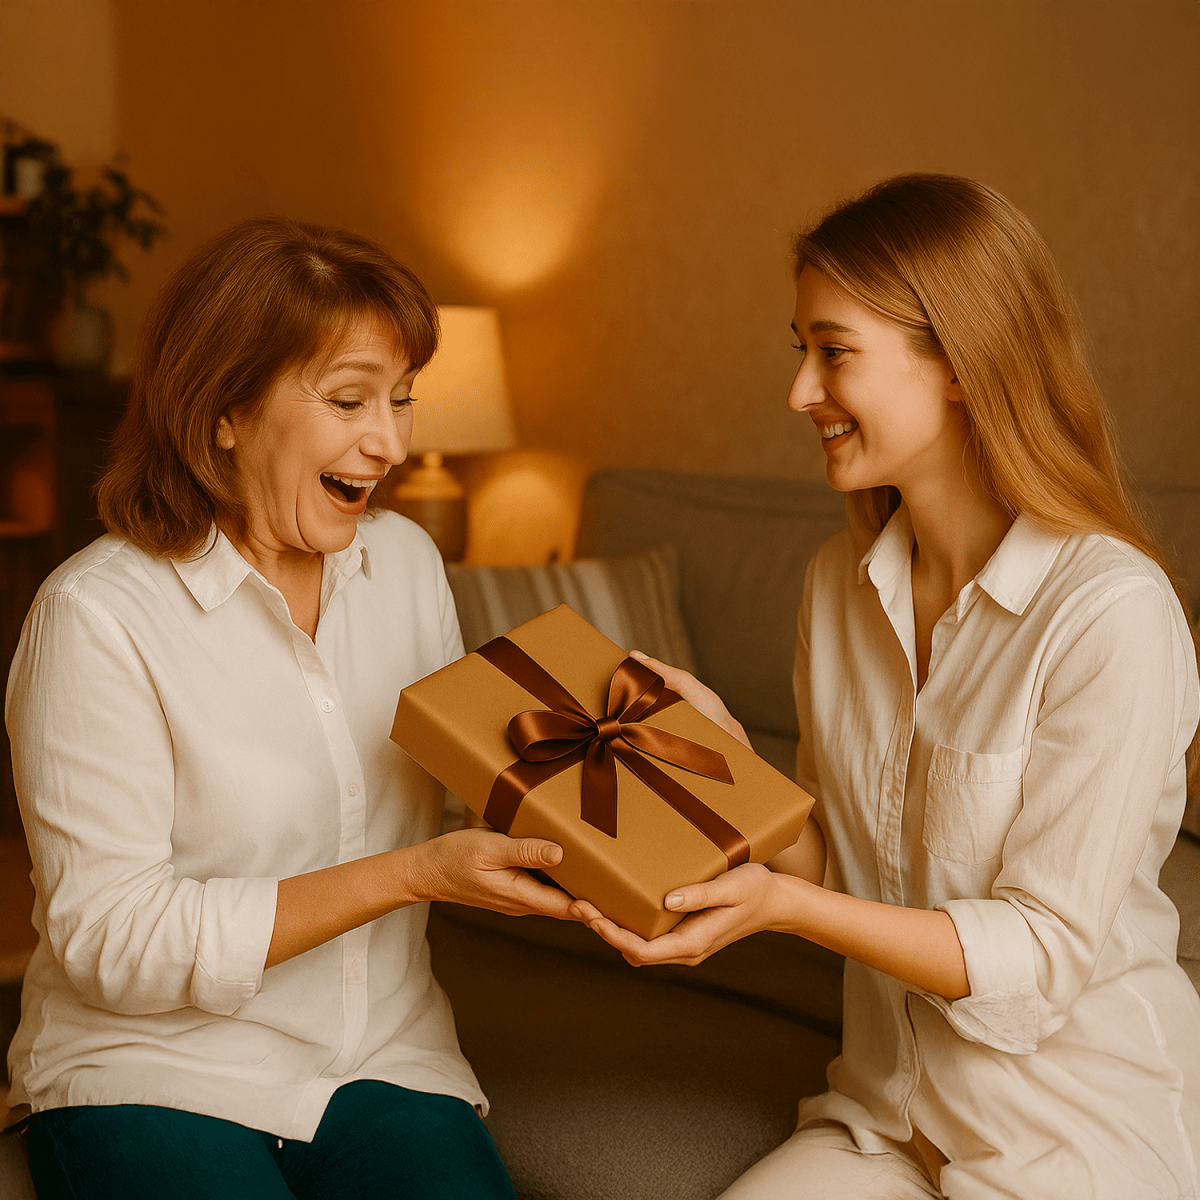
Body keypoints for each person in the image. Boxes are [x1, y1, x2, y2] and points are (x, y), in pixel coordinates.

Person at [573, 175, 1200, 1199]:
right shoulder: (838, 584)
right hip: (879, 1120)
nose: (799, 393)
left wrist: (781, 909)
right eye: (801, 351)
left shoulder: (1109, 612)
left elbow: (1038, 954)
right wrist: (727, 769)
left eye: (834, 352)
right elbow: (841, 861)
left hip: (1074, 1140)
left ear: (956, 363)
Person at [4, 216, 576, 1199]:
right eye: (351, 400)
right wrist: (408, 875)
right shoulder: (95, 617)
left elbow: (456, 786)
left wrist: (615, 766)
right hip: (152, 1072)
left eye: (400, 401)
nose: (391, 443)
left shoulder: (402, 563)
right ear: (223, 409)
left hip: (381, 1058)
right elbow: (110, 943)